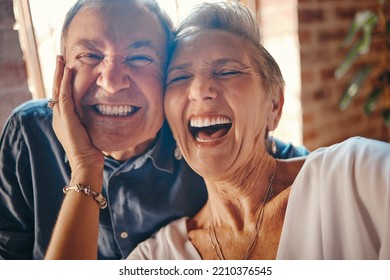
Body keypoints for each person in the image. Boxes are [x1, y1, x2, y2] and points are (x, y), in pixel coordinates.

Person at [45, 1, 389, 260]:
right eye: (179, 78)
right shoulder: (156, 256)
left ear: (274, 105)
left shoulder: (357, 176)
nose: (200, 90)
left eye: (227, 72)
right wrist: (87, 168)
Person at [0, 0, 308, 260]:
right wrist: (85, 170)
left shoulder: (200, 139)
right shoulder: (27, 134)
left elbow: (274, 163)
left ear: (165, 78)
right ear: (61, 71)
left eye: (140, 58)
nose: (112, 80)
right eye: (91, 56)